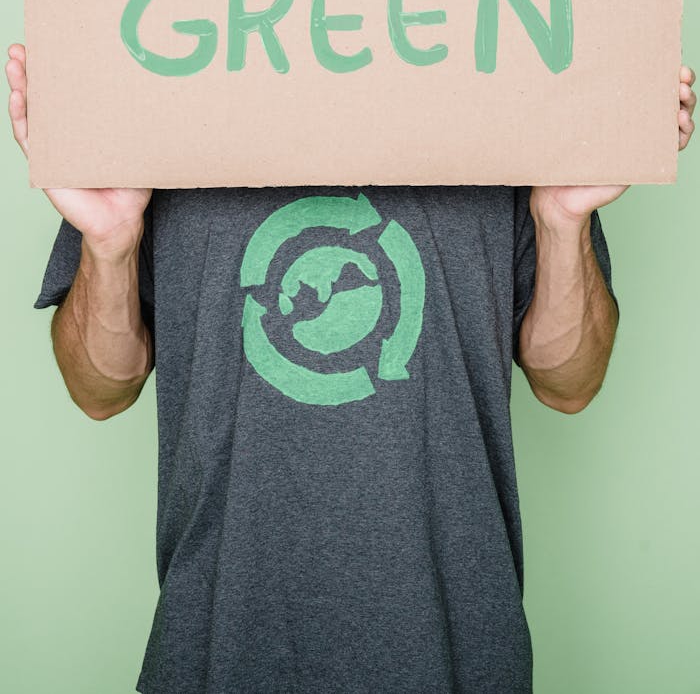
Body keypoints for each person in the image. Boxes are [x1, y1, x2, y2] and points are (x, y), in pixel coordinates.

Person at [6, 41, 697, 694]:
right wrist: (109, 243)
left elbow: (569, 384)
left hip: (458, 654)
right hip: (215, 651)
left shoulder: (507, 96)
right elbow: (100, 389)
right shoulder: (161, 101)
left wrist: (562, 218)